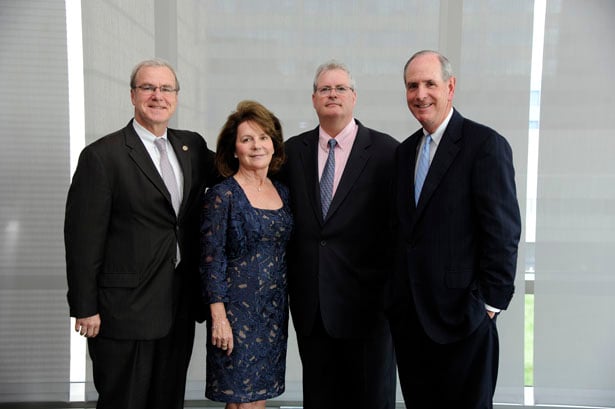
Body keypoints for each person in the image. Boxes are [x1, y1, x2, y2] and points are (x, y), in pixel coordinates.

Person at [64, 59, 217, 409]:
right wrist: (85, 308)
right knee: (125, 401)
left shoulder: (191, 147)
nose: (157, 96)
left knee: (168, 400)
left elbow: (235, 173)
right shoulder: (103, 156)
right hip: (123, 311)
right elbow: (82, 240)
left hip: (178, 306)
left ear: (176, 97)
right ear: (133, 95)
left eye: (166, 89)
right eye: (148, 87)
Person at [388, 50, 522, 408]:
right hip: (412, 323)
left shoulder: (484, 145)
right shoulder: (404, 154)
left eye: (429, 83)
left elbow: (503, 232)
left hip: (465, 320)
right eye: (412, 85)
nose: (420, 94)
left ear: (450, 86)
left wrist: (488, 306)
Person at [279, 61, 398, 409]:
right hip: (312, 308)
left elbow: (398, 228)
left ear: (354, 97)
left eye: (340, 88)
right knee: (319, 399)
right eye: (325, 89)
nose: (333, 94)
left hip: (368, 309)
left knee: (371, 399)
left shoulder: (386, 152)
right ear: (314, 100)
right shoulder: (292, 152)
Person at [200, 100, 292, 409]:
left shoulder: (283, 191)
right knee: (240, 401)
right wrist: (218, 317)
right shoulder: (221, 195)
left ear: (274, 144)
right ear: (234, 149)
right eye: (247, 139)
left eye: (263, 137)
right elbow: (211, 261)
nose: (257, 145)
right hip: (236, 314)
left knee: (259, 398)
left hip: (273, 313)